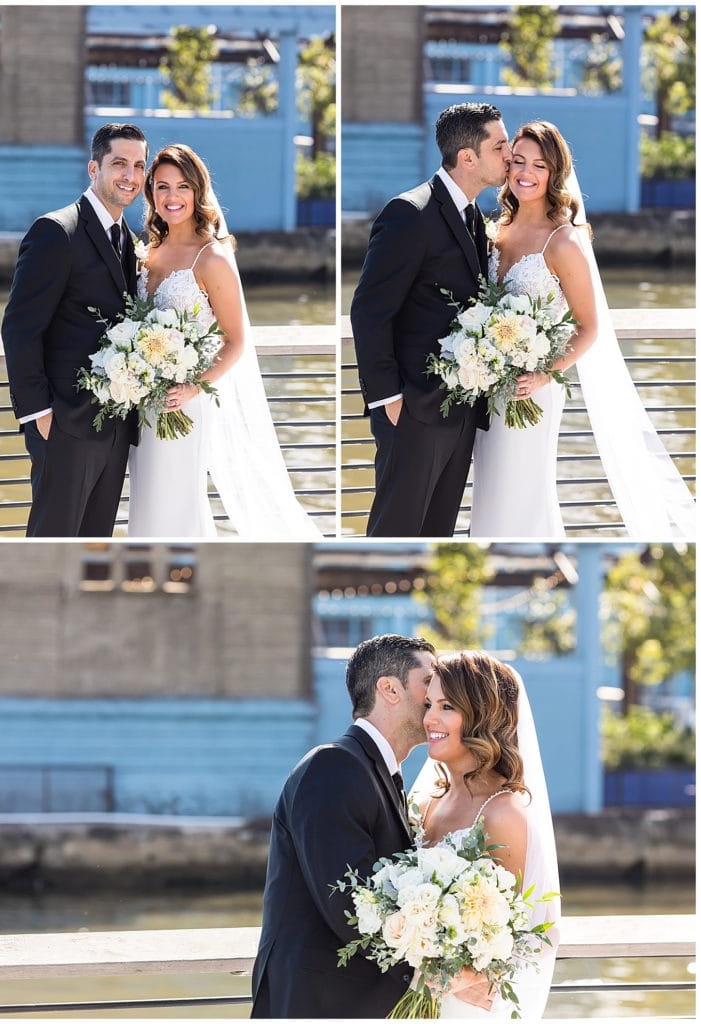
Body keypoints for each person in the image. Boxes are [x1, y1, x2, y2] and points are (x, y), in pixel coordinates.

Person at [471, 120, 696, 539]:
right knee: (489, 490)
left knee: (524, 490)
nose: (525, 172)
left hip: (535, 389)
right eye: (517, 161)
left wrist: (543, 373)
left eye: (538, 165)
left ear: (554, 173)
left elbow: (589, 327)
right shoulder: (493, 230)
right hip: (488, 387)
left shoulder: (564, 242)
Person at [128, 144, 322, 538]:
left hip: (185, 403)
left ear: (197, 191)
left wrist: (191, 387)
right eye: (162, 187)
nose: (172, 197)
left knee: (178, 499)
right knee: (147, 501)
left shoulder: (211, 258)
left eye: (182, 186)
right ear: (151, 193)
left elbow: (235, 341)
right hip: (141, 401)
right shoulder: (146, 251)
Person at [251, 634, 437, 1019]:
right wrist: (442, 952)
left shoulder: (377, 773)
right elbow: (350, 907)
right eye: (428, 682)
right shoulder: (333, 767)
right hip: (318, 1005)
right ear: (389, 689)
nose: (437, 695)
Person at [351, 103, 511, 538]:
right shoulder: (409, 213)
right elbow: (368, 310)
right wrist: (389, 401)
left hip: (459, 413)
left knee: (438, 537)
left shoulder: (474, 216)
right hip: (414, 412)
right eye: (499, 146)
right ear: (467, 157)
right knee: (394, 533)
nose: (509, 154)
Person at [1, 123, 147, 537]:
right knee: (52, 542)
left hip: (115, 427)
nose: (130, 176)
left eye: (138, 165)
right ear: (93, 168)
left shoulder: (129, 241)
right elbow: (19, 328)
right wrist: (39, 414)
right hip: (64, 424)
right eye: (119, 163)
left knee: (94, 542)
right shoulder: (56, 231)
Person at [411, 651, 560, 1019]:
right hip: (413, 991)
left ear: (481, 715)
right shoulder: (427, 801)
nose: (430, 718)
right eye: (429, 704)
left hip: (466, 1005)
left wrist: (457, 975)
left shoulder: (503, 813)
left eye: (447, 706)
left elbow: (522, 934)